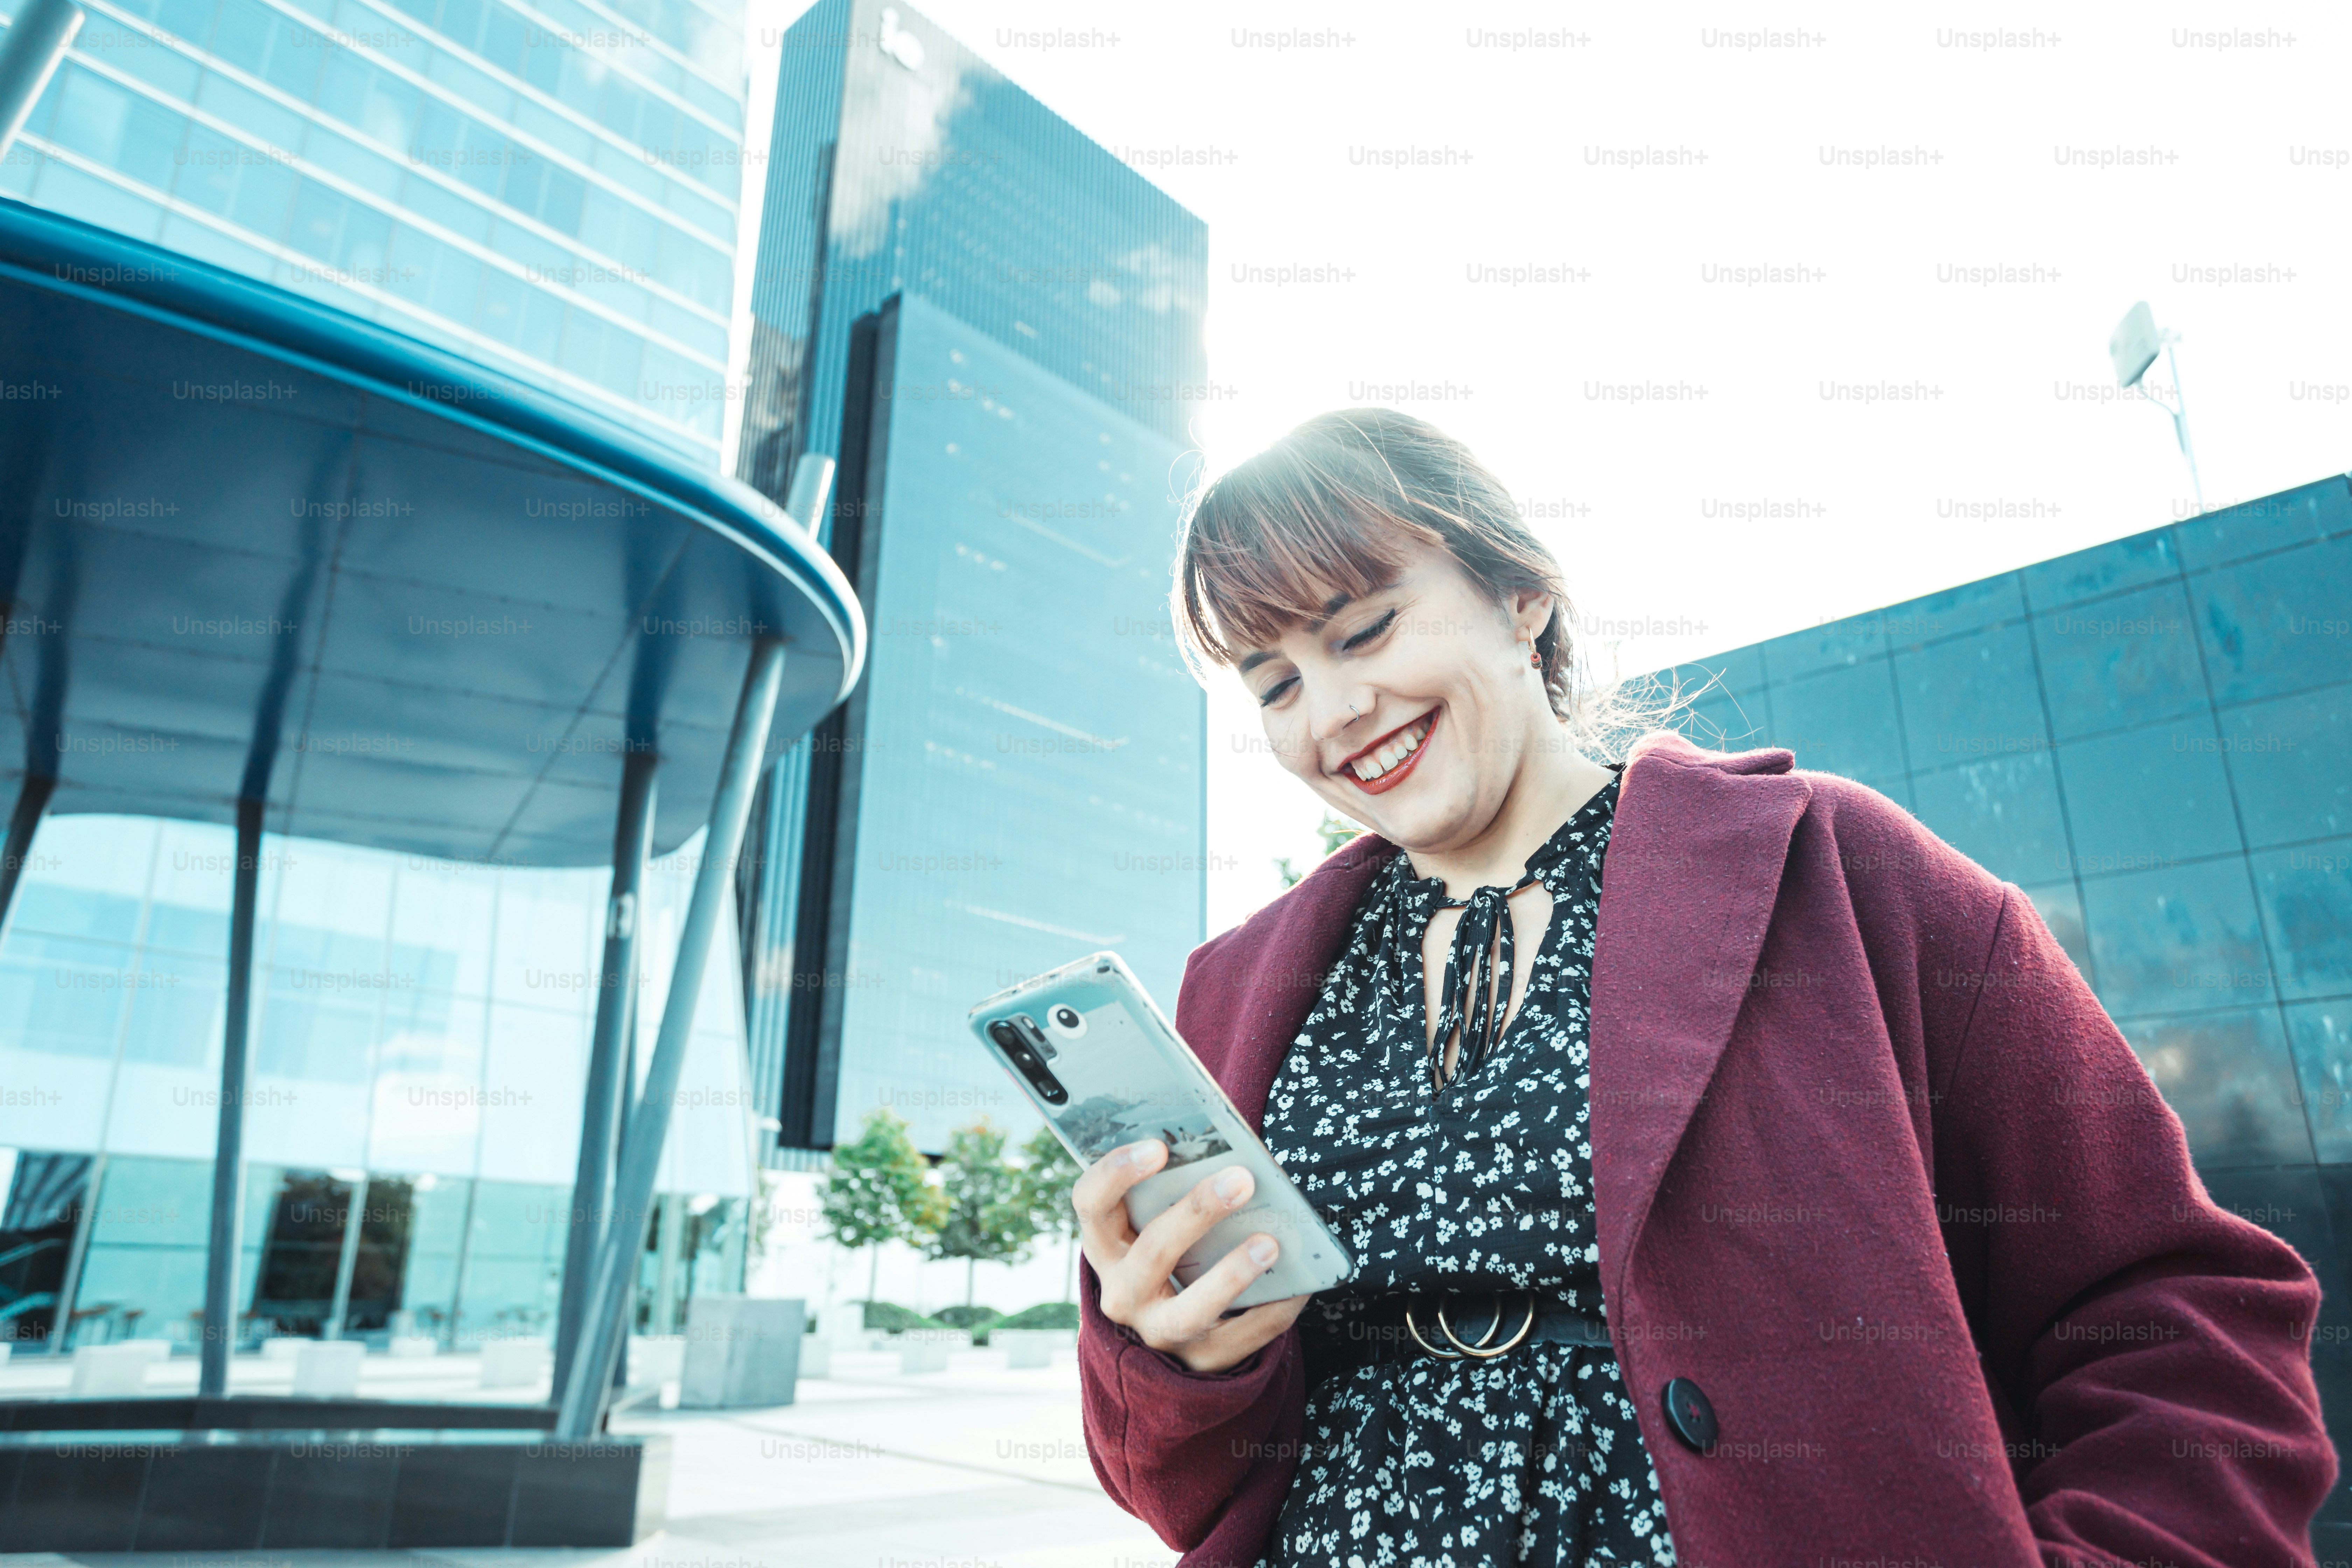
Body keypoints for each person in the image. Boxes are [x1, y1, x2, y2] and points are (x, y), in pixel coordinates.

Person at [1069, 409, 2333, 1568]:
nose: (1334, 712)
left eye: (1364, 630)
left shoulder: (1839, 871)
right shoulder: (1236, 991)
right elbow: (1176, 1485)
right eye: (1275, 683)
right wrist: (1176, 1362)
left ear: (1521, 599)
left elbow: (2181, 1318)